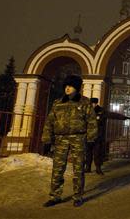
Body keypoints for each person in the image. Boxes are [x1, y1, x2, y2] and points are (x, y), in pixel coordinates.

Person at [41, 75, 97, 207]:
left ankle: (78, 196)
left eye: (70, 86)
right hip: (61, 139)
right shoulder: (58, 102)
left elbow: (92, 122)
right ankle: (55, 196)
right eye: (66, 86)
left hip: (78, 139)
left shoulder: (84, 102)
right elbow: (49, 122)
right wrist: (47, 139)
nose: (67, 88)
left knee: (78, 169)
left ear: (76, 88)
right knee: (58, 168)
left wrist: (90, 139)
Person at [85, 97, 106, 175]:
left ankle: (98, 168)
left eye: (93, 103)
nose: (92, 105)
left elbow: (104, 119)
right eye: (91, 103)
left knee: (97, 153)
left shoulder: (101, 110)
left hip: (97, 136)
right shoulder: (87, 110)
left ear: (96, 103)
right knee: (88, 153)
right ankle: (88, 167)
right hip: (88, 136)